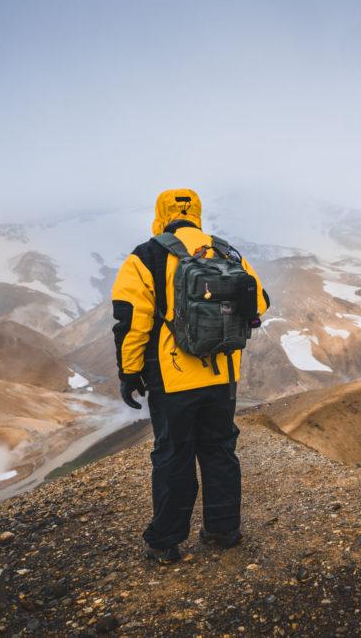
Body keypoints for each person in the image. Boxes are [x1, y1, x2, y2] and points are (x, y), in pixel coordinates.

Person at [111, 189, 269, 563]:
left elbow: (132, 319)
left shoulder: (145, 256)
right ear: (196, 214)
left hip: (173, 377)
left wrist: (130, 372)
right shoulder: (227, 251)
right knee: (219, 450)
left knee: (173, 456)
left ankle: (165, 542)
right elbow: (259, 301)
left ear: (160, 214)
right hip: (222, 375)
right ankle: (223, 529)